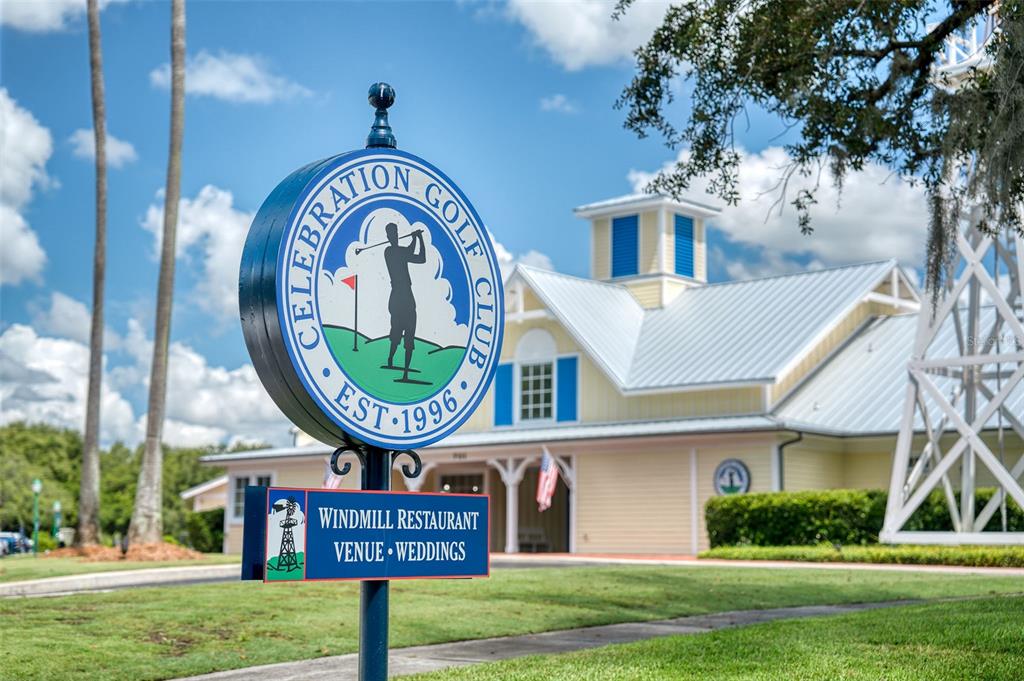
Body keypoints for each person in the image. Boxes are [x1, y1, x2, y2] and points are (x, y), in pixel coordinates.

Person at [383, 222, 425, 381]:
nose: (394, 235)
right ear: (388, 236)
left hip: (407, 295)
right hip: (398, 296)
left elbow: (421, 258)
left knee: (410, 332)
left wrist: (419, 240)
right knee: (396, 331)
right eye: (391, 233)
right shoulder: (390, 252)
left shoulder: (399, 252)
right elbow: (409, 251)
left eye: (396, 232)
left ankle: (405, 372)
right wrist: (416, 238)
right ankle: (390, 359)